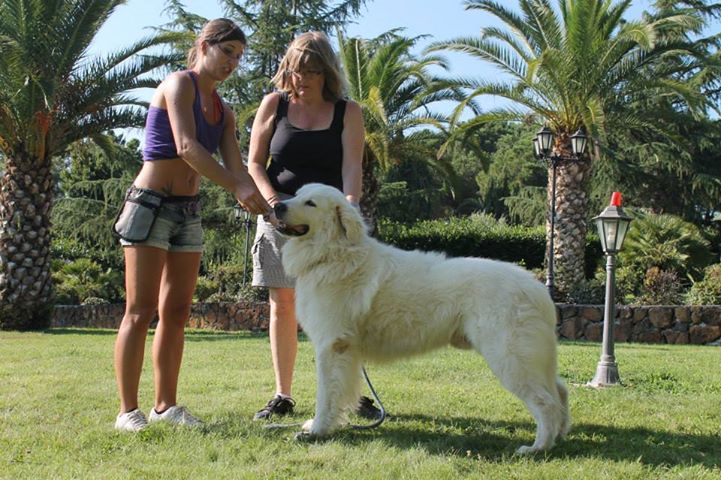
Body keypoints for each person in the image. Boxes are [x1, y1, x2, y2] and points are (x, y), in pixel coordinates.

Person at [113, 18, 271, 431]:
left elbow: (238, 168)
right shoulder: (178, 84)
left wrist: (268, 203)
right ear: (204, 46)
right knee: (140, 310)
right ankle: (127, 412)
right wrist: (237, 186)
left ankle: (165, 407)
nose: (232, 62)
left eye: (239, 56)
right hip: (150, 205)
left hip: (187, 212)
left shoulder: (225, 112)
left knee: (177, 311)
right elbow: (186, 146)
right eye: (227, 52)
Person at [247, 31, 381, 420]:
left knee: (342, 309)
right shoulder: (274, 104)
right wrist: (272, 205)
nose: (300, 79)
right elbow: (254, 163)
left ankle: (351, 395)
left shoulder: (348, 111)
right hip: (279, 218)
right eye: (294, 70)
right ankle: (283, 395)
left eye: (310, 71)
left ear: (326, 73)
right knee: (283, 304)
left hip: (328, 226)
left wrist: (349, 207)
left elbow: (352, 167)